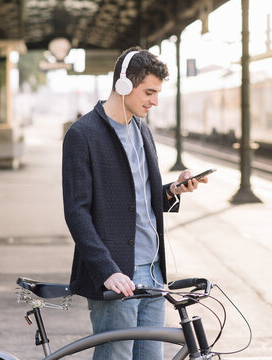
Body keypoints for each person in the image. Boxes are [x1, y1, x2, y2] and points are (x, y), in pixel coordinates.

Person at [62, 47, 208, 360]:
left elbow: (138, 196)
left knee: (150, 357)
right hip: (118, 274)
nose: (155, 101)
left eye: (158, 93)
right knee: (115, 356)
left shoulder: (142, 129)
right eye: (149, 92)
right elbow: (76, 212)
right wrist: (106, 270)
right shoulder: (83, 134)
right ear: (124, 84)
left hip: (154, 271)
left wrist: (173, 190)